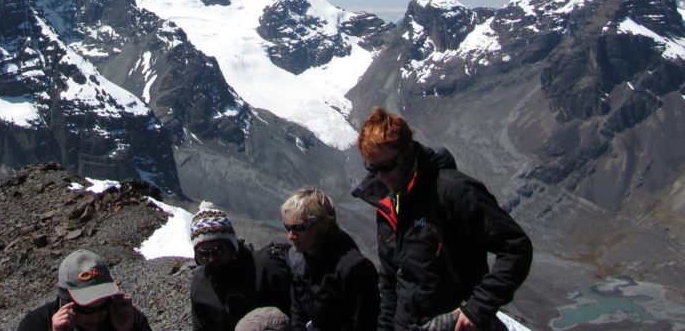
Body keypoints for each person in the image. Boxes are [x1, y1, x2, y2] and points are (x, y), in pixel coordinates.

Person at [352, 108, 533, 331]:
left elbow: (516, 246)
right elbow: (390, 278)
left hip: (456, 324)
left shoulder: (452, 191)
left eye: (388, 166)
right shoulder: (388, 202)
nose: (381, 176)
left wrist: (478, 307)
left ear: (408, 150)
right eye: (373, 168)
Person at [281, 188, 379, 331]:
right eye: (288, 228)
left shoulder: (353, 269)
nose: (290, 236)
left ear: (322, 224)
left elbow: (364, 324)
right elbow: (298, 313)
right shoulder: (296, 260)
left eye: (299, 228)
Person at [190, 201, 291, 331]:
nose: (211, 258)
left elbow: (297, 310)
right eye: (203, 254)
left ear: (232, 245)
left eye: (217, 250)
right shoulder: (200, 285)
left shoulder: (266, 267)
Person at [17, 249, 152, 331]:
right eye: (86, 309)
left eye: (103, 306)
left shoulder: (128, 318)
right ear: (65, 302)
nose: (96, 317)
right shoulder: (35, 325)